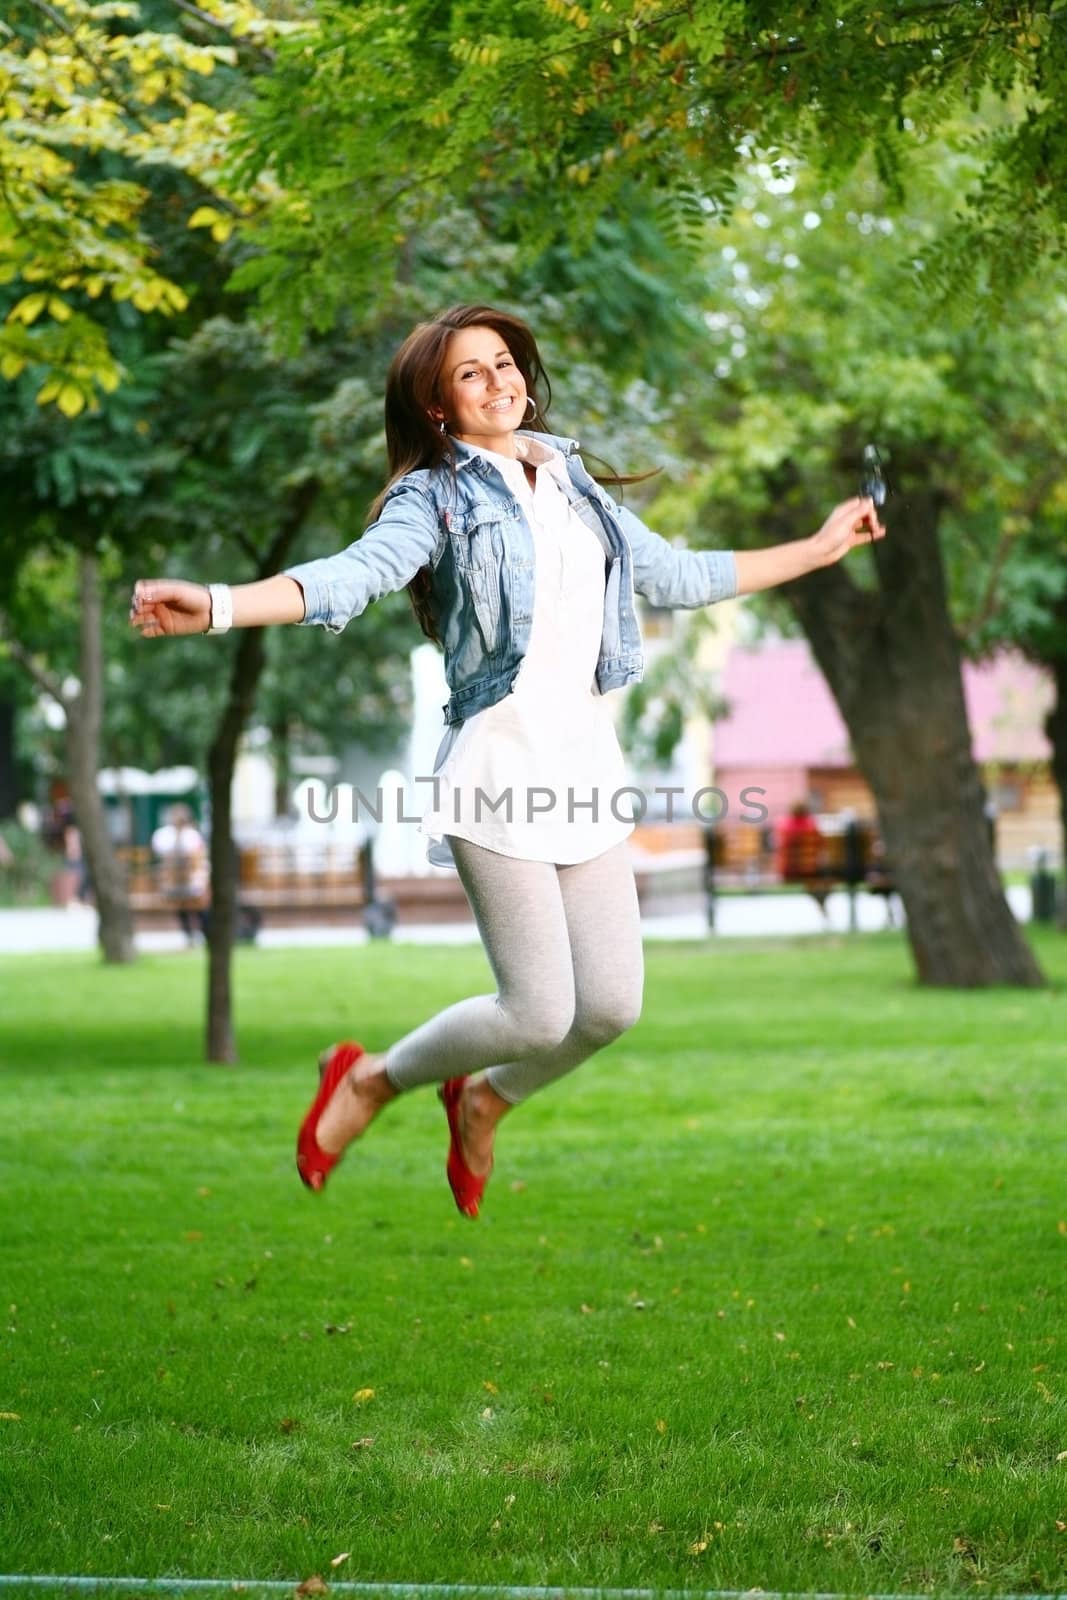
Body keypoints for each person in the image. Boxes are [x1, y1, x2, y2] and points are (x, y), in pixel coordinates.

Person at [129, 303, 885, 1217]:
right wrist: (214, 604)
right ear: (439, 407)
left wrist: (819, 545)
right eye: (471, 374)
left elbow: (675, 576)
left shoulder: (572, 482)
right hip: (498, 771)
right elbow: (352, 574)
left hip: (585, 769)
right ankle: (369, 1081)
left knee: (607, 1009)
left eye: (505, 364)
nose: (500, 384)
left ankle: (485, 1096)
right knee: (534, 1012)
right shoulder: (433, 496)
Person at [150, 802, 209, 944]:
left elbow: (197, 855)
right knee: (182, 903)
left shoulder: (192, 834)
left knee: (199, 901)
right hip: (173, 880)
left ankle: (204, 931)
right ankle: (188, 933)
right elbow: (163, 854)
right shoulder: (163, 834)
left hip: (191, 880)